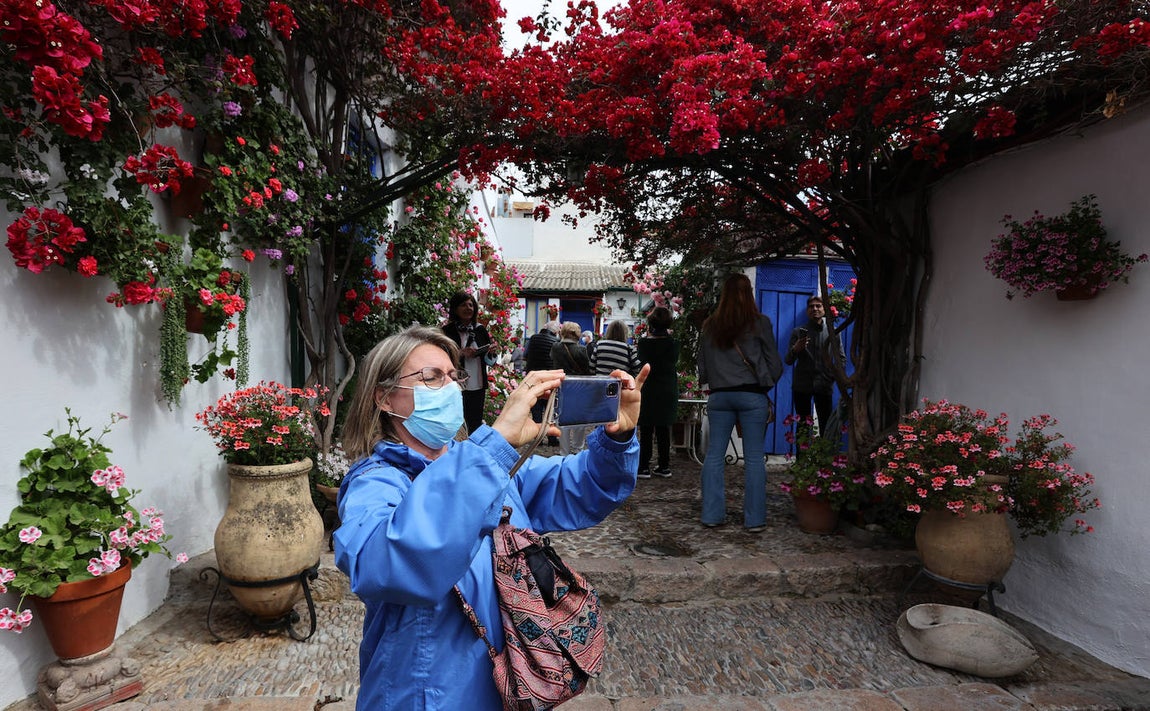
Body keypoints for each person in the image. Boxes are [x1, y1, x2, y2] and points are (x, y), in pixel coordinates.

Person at [334, 326, 648, 711]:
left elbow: (580, 487)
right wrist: (495, 446)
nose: (449, 388)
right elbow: (386, 563)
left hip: (502, 686)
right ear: (384, 398)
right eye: (431, 378)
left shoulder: (483, 463)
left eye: (453, 376)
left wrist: (617, 438)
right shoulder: (376, 482)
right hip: (423, 696)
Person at [696, 273, 783, 532]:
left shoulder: (710, 325)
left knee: (714, 456)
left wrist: (716, 379)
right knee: (755, 459)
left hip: (720, 395)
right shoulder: (759, 323)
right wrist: (764, 384)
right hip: (751, 395)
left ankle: (711, 515)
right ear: (750, 293)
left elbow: (702, 365)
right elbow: (775, 364)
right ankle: (754, 520)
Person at [784, 295, 845, 434]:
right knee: (803, 426)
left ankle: (824, 456)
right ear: (807, 310)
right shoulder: (798, 332)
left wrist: (833, 376)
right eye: (811, 306)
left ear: (825, 309)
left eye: (818, 306)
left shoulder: (833, 332)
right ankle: (802, 456)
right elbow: (788, 360)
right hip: (802, 385)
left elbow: (841, 358)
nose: (815, 309)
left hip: (824, 384)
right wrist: (795, 349)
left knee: (826, 425)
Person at [441, 291, 495, 434]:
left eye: (471, 305)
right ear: (455, 308)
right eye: (463, 305)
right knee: (457, 420)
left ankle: (472, 449)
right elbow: (440, 356)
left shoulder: (480, 330)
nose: (468, 308)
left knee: (475, 421)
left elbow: (489, 361)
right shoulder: (446, 331)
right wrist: (460, 353)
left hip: (477, 384)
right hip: (455, 383)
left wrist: (491, 352)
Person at [637, 306, 680, 479]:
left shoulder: (644, 343)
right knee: (664, 428)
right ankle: (664, 465)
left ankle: (644, 466)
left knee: (646, 429)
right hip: (667, 388)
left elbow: (640, 360)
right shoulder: (674, 344)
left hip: (648, 387)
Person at [550, 321, 593, 454]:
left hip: (561, 386)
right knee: (579, 419)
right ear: (577, 334)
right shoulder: (582, 350)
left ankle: (564, 451)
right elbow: (587, 370)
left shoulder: (555, 347)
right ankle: (578, 448)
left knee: (562, 420)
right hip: (579, 388)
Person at [525, 320, 561, 445]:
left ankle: (537, 436)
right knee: (550, 409)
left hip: (533, 377)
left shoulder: (533, 338)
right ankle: (551, 438)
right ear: (555, 332)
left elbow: (525, 355)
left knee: (536, 407)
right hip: (549, 378)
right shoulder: (556, 342)